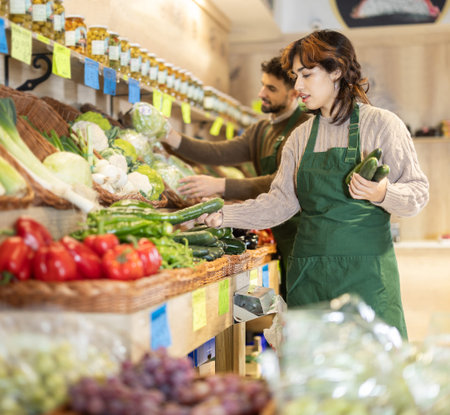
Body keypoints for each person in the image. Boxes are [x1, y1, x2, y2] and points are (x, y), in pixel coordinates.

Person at [198, 30, 429, 338]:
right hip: (309, 275)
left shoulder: (382, 125)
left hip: (367, 277)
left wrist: (382, 192)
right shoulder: (301, 137)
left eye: (306, 75)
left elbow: (417, 193)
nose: (298, 86)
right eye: (295, 76)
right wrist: (223, 216)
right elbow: (279, 204)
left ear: (336, 70)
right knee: (313, 374)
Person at [164, 56, 311, 297]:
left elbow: (279, 183)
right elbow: (218, 152)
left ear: (295, 93)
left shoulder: (305, 129)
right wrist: (171, 136)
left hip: (302, 235)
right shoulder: (261, 130)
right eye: (263, 84)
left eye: (271, 88)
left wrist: (221, 185)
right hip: (273, 228)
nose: (262, 93)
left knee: (302, 303)